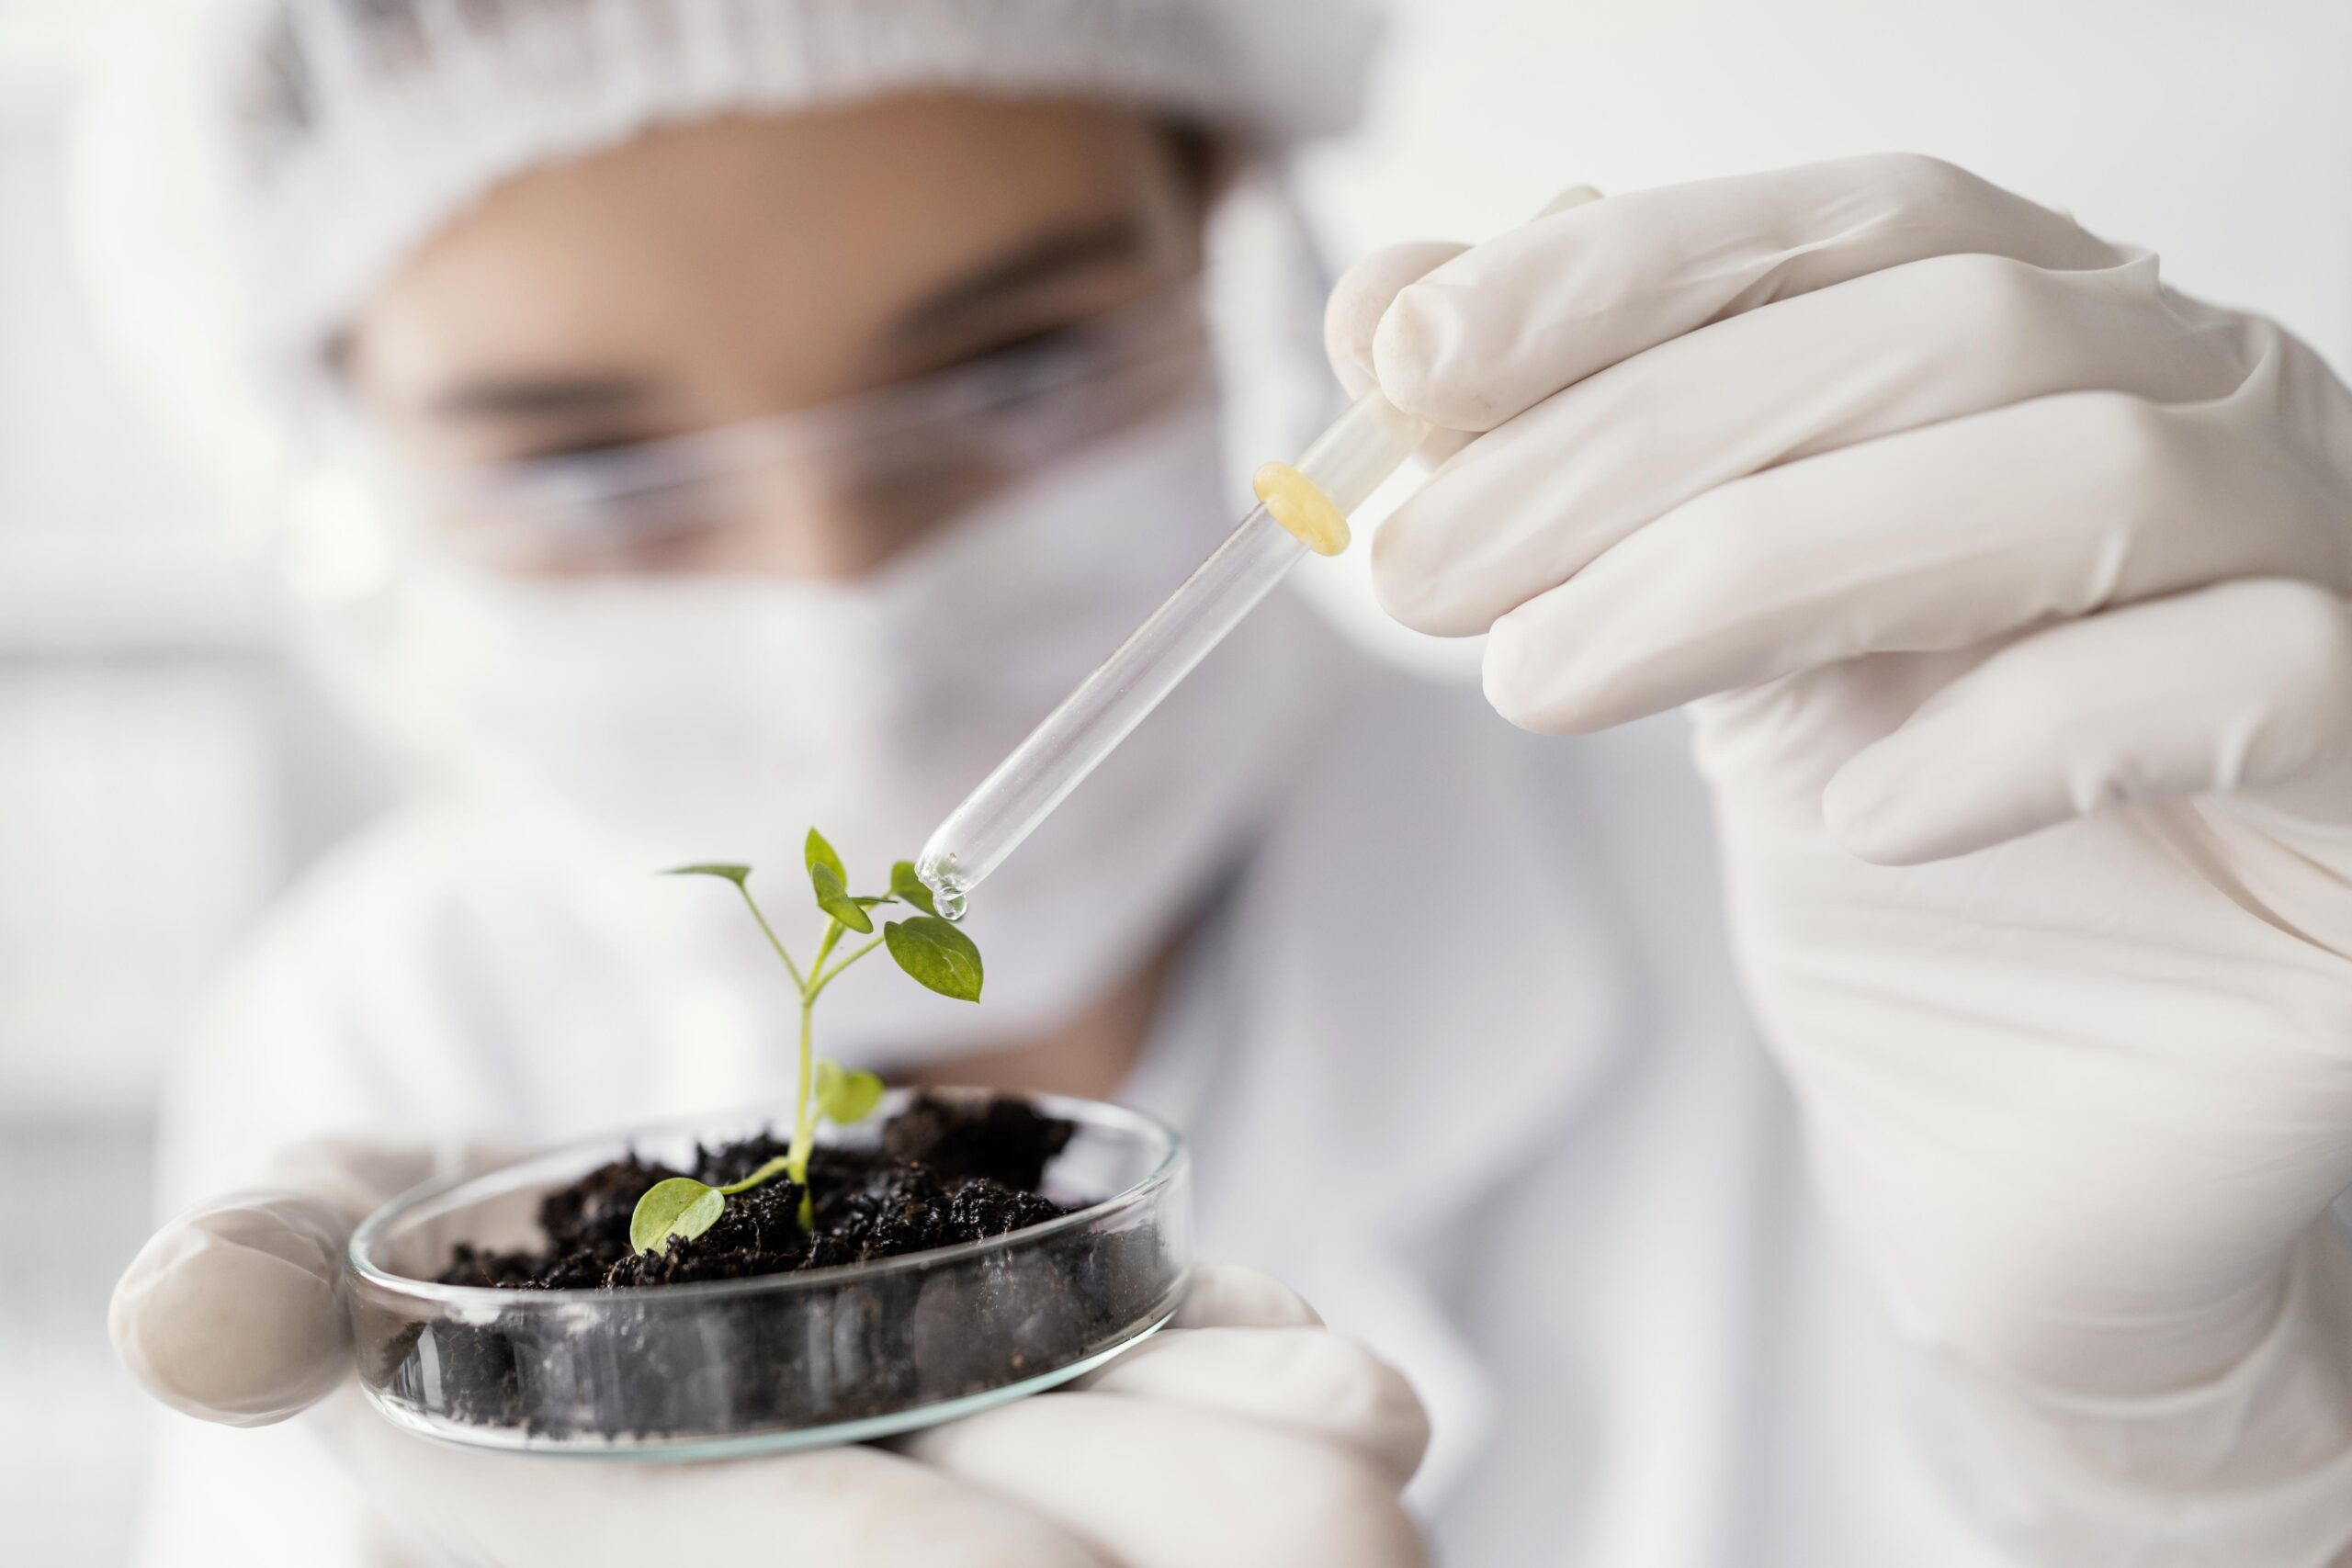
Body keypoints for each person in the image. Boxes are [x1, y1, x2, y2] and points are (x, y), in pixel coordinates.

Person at [83, 1, 2352, 1564]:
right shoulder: (390, 1033)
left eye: (1017, 358)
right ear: (340, 471)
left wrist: (2189, 1459)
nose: (835, 598)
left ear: (1236, 259)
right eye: (584, 462)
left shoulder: (1923, 891)